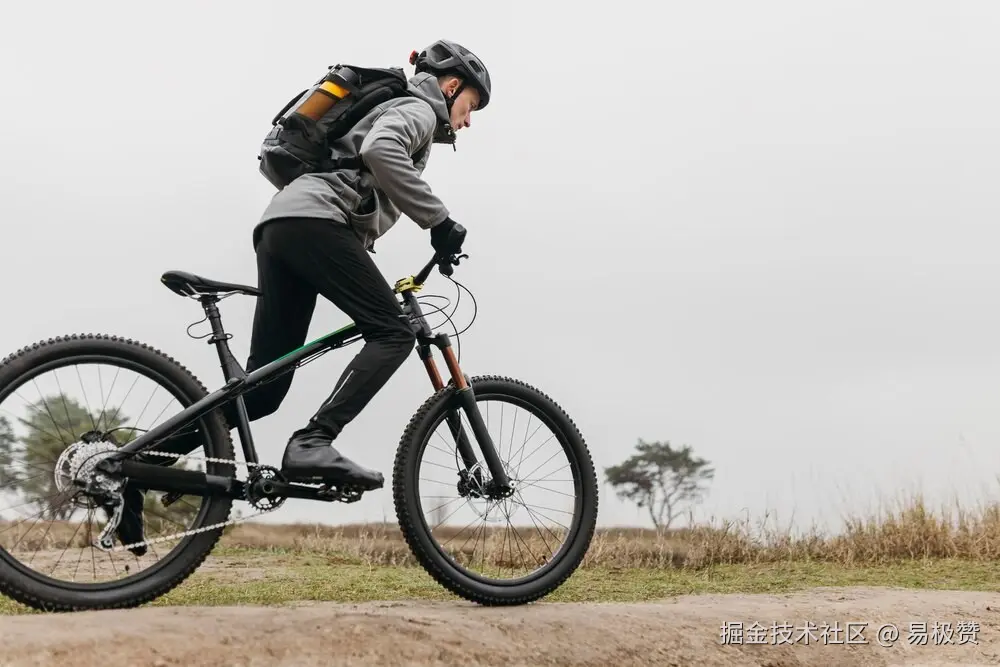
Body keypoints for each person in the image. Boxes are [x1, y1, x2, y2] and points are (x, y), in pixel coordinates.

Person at [110, 39, 492, 554]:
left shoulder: (398, 106)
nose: (467, 121)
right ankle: (313, 441)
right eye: (471, 106)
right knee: (394, 333)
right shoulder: (419, 108)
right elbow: (381, 152)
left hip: (284, 225)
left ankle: (136, 465)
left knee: (262, 392)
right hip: (315, 221)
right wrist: (439, 222)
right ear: (451, 86)